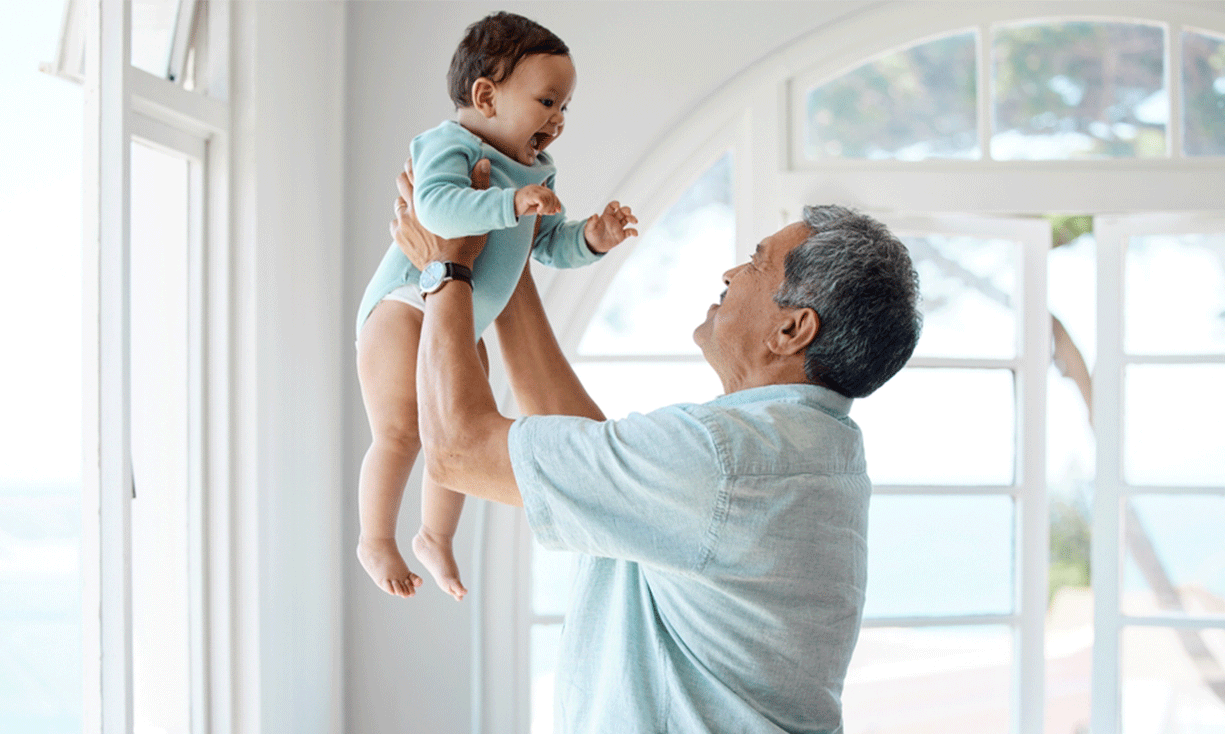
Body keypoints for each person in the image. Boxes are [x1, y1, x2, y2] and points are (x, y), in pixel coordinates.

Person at [391, 157, 922, 732]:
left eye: (755, 263)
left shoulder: (721, 461)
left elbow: (457, 452)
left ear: (791, 329)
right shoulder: (821, 452)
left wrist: (445, 268)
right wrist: (505, 253)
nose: (729, 272)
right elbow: (590, 459)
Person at [354, 11, 638, 601]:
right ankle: (374, 538)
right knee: (402, 430)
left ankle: (435, 535)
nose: (558, 120)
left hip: (462, 312)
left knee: (459, 424)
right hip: (406, 304)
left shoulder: (536, 171)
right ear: (485, 95)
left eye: (564, 108)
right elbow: (435, 209)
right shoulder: (447, 144)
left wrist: (593, 238)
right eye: (547, 102)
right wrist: (510, 204)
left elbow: (550, 247)